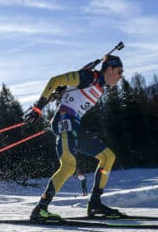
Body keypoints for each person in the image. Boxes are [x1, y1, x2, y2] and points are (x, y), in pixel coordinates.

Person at [23, 54, 126, 222]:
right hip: (65, 121)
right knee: (69, 165)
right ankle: (40, 209)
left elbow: (70, 91)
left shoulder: (99, 86)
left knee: (108, 157)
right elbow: (55, 80)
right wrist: (38, 107)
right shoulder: (89, 77)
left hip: (74, 125)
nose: (121, 76)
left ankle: (95, 204)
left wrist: (63, 91)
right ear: (110, 69)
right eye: (120, 71)